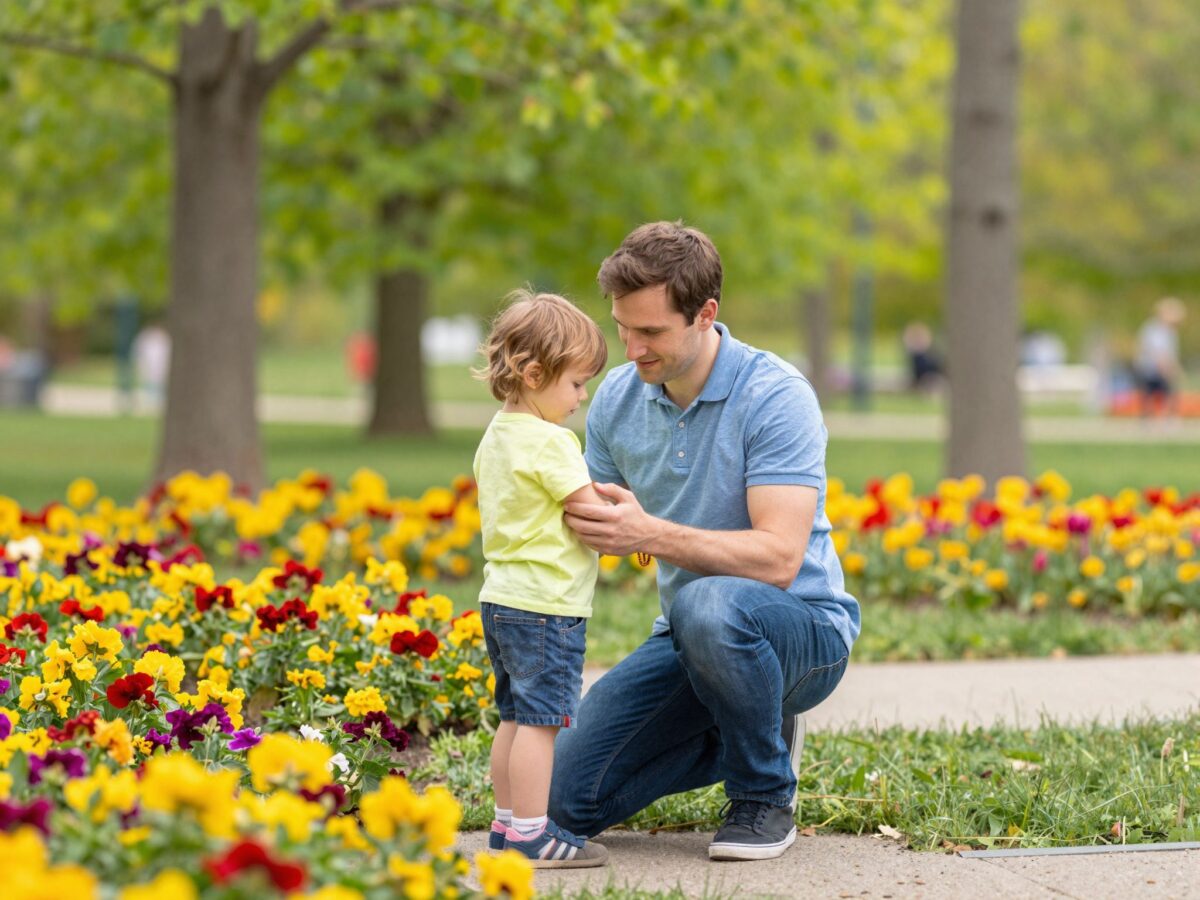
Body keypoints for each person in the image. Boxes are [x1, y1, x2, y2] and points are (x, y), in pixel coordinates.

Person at [551, 221, 859, 862]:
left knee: (710, 604)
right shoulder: (616, 401)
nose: (632, 349)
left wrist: (650, 534)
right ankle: (745, 724)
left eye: (651, 332)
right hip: (687, 637)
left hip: (801, 631)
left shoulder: (775, 396)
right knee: (561, 800)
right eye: (623, 328)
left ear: (705, 315)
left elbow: (779, 559)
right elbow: (592, 521)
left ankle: (763, 792)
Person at [471, 289, 611, 868]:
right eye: (576, 383)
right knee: (543, 723)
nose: (582, 396)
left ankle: (507, 825)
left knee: (515, 717)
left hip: (501, 600)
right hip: (546, 606)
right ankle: (532, 835)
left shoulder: (496, 436)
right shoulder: (553, 441)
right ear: (534, 375)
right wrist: (633, 525)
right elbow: (590, 515)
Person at [1134, 297, 1187, 418]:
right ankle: (1158, 419)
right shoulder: (1155, 329)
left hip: (1159, 367)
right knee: (1156, 394)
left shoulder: (1169, 331)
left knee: (1160, 394)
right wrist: (1169, 369)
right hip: (1152, 369)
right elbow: (1158, 353)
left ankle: (1161, 417)